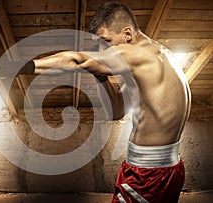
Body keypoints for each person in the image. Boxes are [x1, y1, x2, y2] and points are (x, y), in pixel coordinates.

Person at [19, 1, 191, 202]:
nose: (104, 51)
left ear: (127, 34)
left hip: (147, 174)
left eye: (106, 41)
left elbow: (76, 60)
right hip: (169, 168)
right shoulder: (156, 58)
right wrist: (99, 75)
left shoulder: (136, 54)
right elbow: (116, 111)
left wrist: (20, 67)